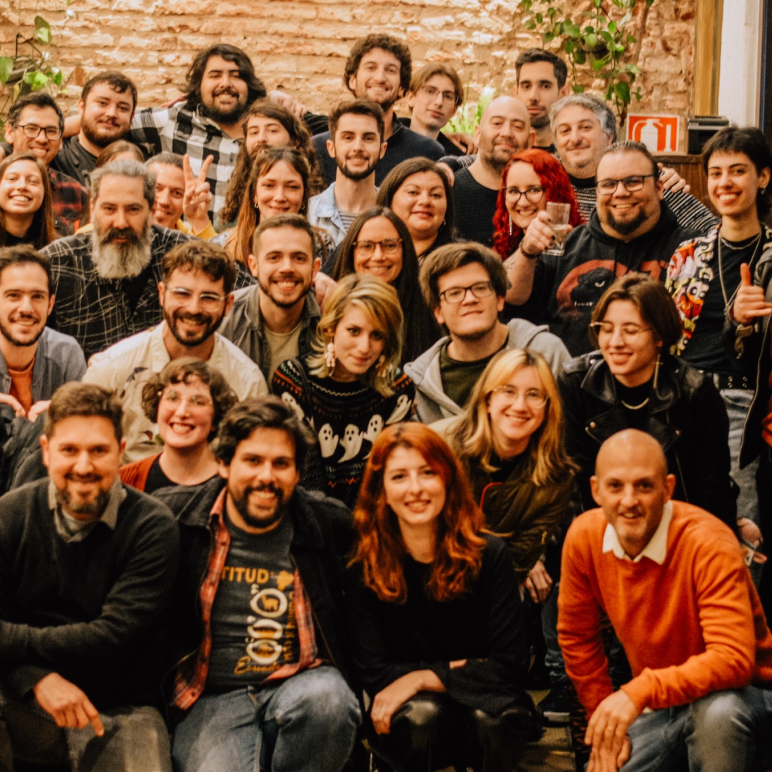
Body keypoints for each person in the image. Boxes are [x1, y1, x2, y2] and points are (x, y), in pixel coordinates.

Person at [558, 429, 772, 772]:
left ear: (668, 489)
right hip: (664, 703)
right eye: (615, 486)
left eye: (644, 486)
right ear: (596, 490)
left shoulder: (708, 543)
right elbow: (577, 638)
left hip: (745, 697)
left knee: (718, 714)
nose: (629, 500)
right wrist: (604, 720)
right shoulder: (584, 537)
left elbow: (733, 660)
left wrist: (637, 692)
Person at [168, 396, 361, 772]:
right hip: (210, 698)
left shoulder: (329, 524)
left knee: (330, 702)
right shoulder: (177, 519)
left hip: (300, 685)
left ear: (297, 472)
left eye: (281, 464)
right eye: (253, 461)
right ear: (224, 464)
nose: (267, 477)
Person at [0, 382, 179, 772]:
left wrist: (15, 646)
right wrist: (35, 678)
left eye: (98, 450)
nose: (84, 466)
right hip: (22, 695)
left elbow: (111, 637)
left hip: (119, 705)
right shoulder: (10, 514)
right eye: (69, 450)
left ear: (121, 450)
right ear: (46, 451)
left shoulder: (152, 526)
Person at [346, 422, 537, 772]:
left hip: (487, 704)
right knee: (423, 718)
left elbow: (508, 664)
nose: (416, 488)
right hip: (415, 712)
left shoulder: (490, 554)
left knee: (491, 721)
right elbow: (375, 673)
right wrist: (457, 671)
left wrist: (417, 678)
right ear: (381, 490)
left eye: (427, 472)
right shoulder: (365, 566)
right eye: (399, 476)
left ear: (448, 479)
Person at [666, 126, 772, 574]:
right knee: (674, 528)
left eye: (737, 171)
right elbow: (668, 334)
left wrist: (746, 323)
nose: (724, 182)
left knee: (737, 537)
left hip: (741, 403)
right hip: (679, 397)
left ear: (763, 177)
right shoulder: (688, 252)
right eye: (715, 173)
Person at [558, 273, 736, 529]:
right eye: (606, 329)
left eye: (630, 330)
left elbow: (713, 491)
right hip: (599, 530)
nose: (615, 342)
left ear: (659, 336)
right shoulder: (575, 383)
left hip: (678, 530)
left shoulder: (695, 392)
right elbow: (570, 484)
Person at [506, 141, 700, 355]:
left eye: (633, 182)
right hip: (566, 374)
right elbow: (509, 301)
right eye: (608, 184)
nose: (620, 192)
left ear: (659, 187)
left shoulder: (691, 250)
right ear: (597, 191)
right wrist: (526, 251)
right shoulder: (565, 245)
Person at [83, 240, 267, 461]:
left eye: (208, 298)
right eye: (182, 294)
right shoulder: (113, 368)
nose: (194, 308)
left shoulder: (247, 382)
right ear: (162, 294)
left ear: (228, 304)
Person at [273, 273, 414, 508]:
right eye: (354, 331)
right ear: (331, 328)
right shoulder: (293, 380)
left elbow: (382, 476)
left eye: (377, 335)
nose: (364, 347)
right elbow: (306, 476)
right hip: (308, 515)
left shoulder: (398, 389)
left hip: (371, 515)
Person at [41, 159, 191, 359]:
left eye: (133, 209)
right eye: (109, 209)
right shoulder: (56, 263)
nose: (120, 223)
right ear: (92, 209)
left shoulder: (184, 255)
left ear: (150, 210)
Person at [405, 242, 569, 423]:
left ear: (500, 299)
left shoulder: (546, 353)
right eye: (454, 293)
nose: (469, 299)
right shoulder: (418, 383)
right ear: (438, 312)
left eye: (480, 288)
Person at [126, 44, 270, 222]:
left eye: (236, 76)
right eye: (215, 75)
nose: (226, 83)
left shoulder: (264, 134)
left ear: (249, 86)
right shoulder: (173, 120)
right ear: (199, 84)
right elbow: (110, 121)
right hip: (180, 239)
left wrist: (276, 97)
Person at [550, 93, 717, 232]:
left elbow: (712, 232)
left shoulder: (646, 182)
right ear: (556, 143)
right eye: (565, 131)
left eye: (586, 127)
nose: (575, 138)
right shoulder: (543, 181)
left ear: (609, 136)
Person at [312, 34, 444, 187]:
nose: (380, 78)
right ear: (352, 80)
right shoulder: (317, 149)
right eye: (371, 68)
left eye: (391, 70)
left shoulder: (427, 151)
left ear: (402, 87)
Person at [329, 205, 441, 363]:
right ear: (350, 252)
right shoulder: (326, 306)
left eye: (390, 245)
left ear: (405, 250)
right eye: (366, 246)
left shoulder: (430, 313)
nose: (378, 256)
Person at [219, 214, 322, 384]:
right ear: (254, 266)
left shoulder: (331, 323)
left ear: (315, 268)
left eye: (299, 258)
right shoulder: (224, 319)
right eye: (274, 257)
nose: (287, 268)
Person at [119, 357, 236, 492]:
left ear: (216, 415)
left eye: (198, 402)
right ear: (157, 405)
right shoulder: (124, 481)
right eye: (173, 397)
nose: (182, 412)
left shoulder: (235, 484)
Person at [0, 245, 85, 424]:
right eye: (14, 295)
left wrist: (66, 415)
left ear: (50, 304)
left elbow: (86, 426)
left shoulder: (66, 353)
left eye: (37, 296)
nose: (26, 309)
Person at [219, 98, 322, 228]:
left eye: (272, 130)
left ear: (295, 141)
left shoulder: (319, 208)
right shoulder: (233, 206)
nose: (261, 138)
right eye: (254, 132)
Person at [222, 147, 333, 267]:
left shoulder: (321, 245)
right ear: (255, 194)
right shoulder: (223, 246)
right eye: (269, 185)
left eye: (292, 187)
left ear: (304, 196)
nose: (279, 197)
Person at [3, 92, 89, 234]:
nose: (42, 139)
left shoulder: (75, 193)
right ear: (10, 132)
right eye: (31, 129)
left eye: (51, 131)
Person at [452, 96, 533, 245]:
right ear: (478, 134)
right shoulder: (448, 191)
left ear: (531, 141)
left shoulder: (538, 198)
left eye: (517, 126)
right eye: (497, 123)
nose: (506, 133)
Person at [308, 100, 386, 247]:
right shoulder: (307, 215)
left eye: (368, 138)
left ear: (382, 149)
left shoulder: (397, 215)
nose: (358, 147)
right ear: (331, 148)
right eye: (348, 138)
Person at [491, 148, 583, 260]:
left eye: (534, 190)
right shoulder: (503, 246)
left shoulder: (579, 247)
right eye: (513, 191)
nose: (523, 203)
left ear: (555, 193)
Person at [52, 71, 138, 187]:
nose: (112, 113)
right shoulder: (55, 158)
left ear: (132, 116)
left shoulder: (142, 164)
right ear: (82, 107)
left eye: (123, 108)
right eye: (103, 103)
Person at [376, 157, 455, 260]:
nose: (425, 201)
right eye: (413, 192)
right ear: (389, 200)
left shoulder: (460, 262)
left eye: (436, 195)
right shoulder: (370, 256)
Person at [146, 151, 217, 239]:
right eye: (156, 188)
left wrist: (199, 221)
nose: (164, 201)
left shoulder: (188, 241)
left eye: (177, 193)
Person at [513, 49, 569, 153]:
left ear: (563, 93)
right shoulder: (504, 154)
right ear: (516, 93)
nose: (533, 97)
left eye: (545, 86)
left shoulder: (574, 155)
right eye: (526, 86)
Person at [404, 62, 466, 156]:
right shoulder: (385, 140)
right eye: (430, 91)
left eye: (448, 96)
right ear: (411, 97)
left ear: (454, 110)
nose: (439, 102)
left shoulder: (456, 160)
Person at [0, 152, 56, 249]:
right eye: (12, 179)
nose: (22, 186)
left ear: (45, 192)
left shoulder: (56, 249)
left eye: (32, 181)